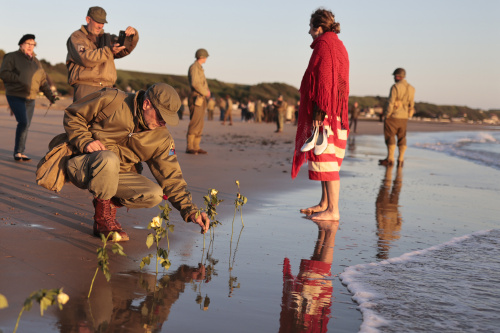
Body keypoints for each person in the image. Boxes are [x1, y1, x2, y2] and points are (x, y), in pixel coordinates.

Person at [60, 83, 210, 241]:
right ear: (146, 104)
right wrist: (84, 140)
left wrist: (191, 211)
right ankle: (102, 221)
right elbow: (73, 115)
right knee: (108, 158)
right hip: (82, 166)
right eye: (161, 116)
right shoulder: (111, 99)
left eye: (167, 119)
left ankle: (108, 203)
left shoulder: (162, 139)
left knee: (155, 194)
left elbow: (171, 177)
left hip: (116, 177)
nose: (163, 123)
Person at [292, 8, 350, 221]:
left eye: (310, 27)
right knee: (325, 159)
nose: (309, 32)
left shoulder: (325, 45)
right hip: (337, 113)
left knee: (328, 161)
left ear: (318, 27)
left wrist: (319, 112)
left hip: (327, 114)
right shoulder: (338, 45)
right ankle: (325, 203)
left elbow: (325, 83)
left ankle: (333, 210)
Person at [0, 34, 58, 161]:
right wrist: (20, 79)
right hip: (15, 95)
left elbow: (43, 82)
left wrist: (51, 96)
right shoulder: (12, 57)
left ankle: (20, 152)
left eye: (33, 44)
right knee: (23, 122)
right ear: (21, 44)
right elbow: (4, 73)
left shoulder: (37, 63)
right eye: (28, 44)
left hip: (31, 97)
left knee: (26, 125)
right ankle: (18, 152)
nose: (30, 46)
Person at [66, 6, 139, 101]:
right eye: (98, 22)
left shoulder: (108, 38)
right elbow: (85, 58)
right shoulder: (76, 37)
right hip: (86, 87)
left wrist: (132, 36)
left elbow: (125, 49)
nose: (101, 26)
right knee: (83, 116)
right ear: (88, 19)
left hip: (108, 89)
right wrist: (109, 50)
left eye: (102, 23)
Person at [379, 68, 415, 167]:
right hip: (404, 117)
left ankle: (390, 159)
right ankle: (401, 159)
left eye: (395, 76)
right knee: (402, 137)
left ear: (397, 76)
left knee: (390, 136)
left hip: (393, 116)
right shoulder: (412, 88)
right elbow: (412, 104)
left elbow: (391, 102)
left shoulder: (395, 87)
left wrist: (387, 115)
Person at [186, 48, 210, 154]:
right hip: (196, 97)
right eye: (205, 57)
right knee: (195, 122)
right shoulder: (194, 67)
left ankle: (196, 146)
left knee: (200, 124)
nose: (206, 59)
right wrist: (206, 92)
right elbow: (195, 83)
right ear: (201, 57)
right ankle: (190, 147)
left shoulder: (199, 68)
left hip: (200, 98)